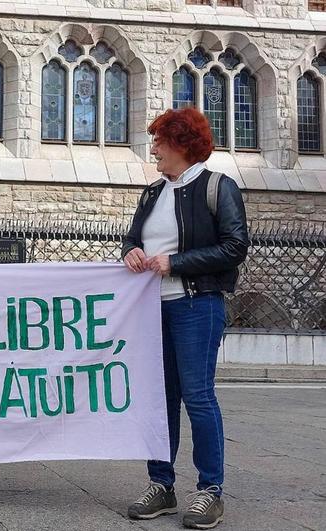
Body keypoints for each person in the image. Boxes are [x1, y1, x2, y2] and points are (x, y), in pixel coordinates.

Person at [121, 107, 249, 529]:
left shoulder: (218, 187)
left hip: (196, 305)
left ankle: (210, 490)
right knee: (160, 400)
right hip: (152, 308)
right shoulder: (152, 193)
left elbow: (234, 247)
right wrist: (132, 252)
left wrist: (175, 263)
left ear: (182, 145)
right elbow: (134, 238)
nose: (153, 148)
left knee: (197, 397)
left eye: (160, 140)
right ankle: (162, 484)